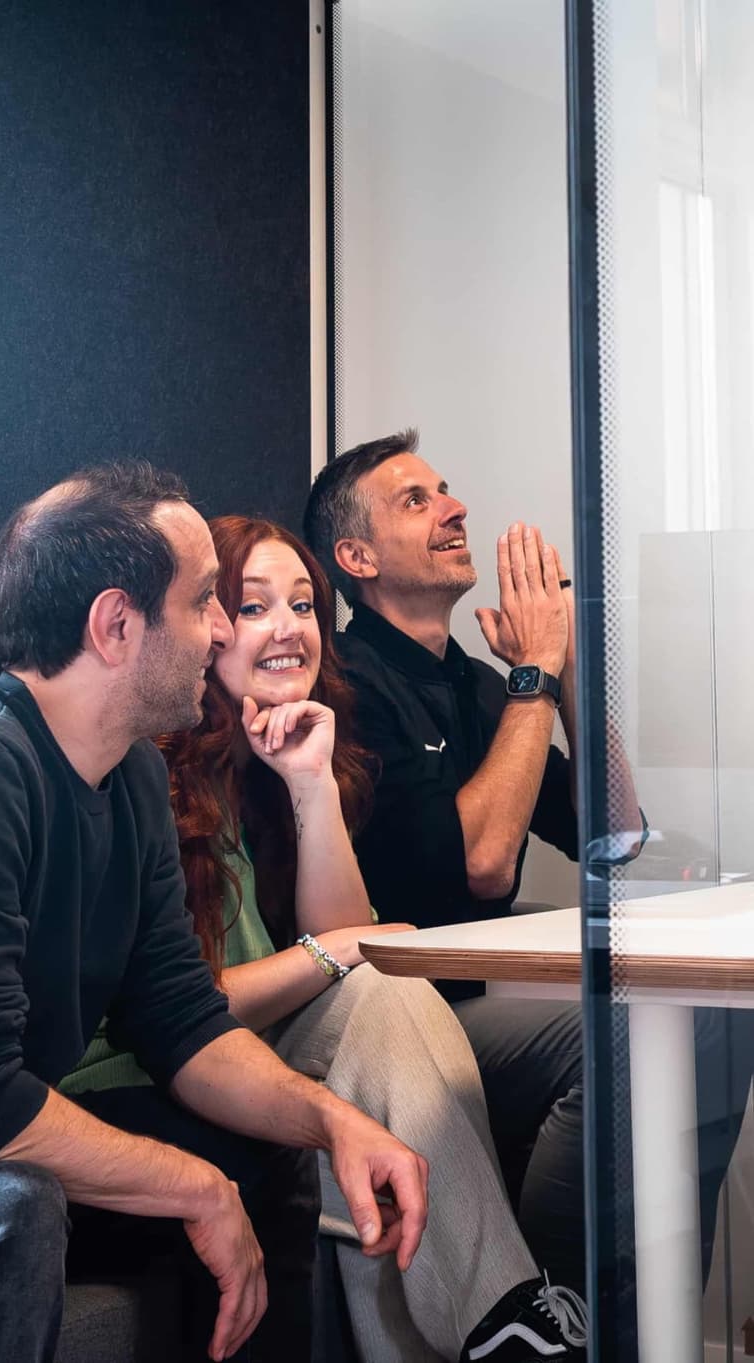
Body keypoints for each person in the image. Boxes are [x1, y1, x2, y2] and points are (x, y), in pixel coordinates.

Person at [0, 462, 430, 1363]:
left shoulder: (129, 774)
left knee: (261, 1153)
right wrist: (195, 1188)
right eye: (206, 602)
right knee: (11, 1205)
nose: (224, 631)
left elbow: (180, 1021)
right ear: (116, 625)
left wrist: (332, 1119)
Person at [69, 513, 588, 1363]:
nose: (290, 628)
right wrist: (325, 956)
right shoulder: (150, 768)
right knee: (378, 998)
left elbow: (350, 941)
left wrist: (310, 788)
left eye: (305, 606)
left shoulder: (294, 748)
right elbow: (185, 1008)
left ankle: (518, 1315)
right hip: (172, 1063)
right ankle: (510, 1318)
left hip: (267, 1042)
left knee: (384, 997)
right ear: (205, 629)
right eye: (255, 604)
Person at [303, 427, 751, 1293]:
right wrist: (535, 672)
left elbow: (616, 839)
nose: (456, 507)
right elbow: (482, 864)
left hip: (470, 1004)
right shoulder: (346, 682)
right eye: (417, 499)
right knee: (624, 1036)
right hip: (395, 1019)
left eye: (446, 489)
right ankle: (556, 1311)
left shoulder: (480, 683)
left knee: (722, 1010)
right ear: (356, 555)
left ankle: (651, 1311)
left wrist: (569, 672)